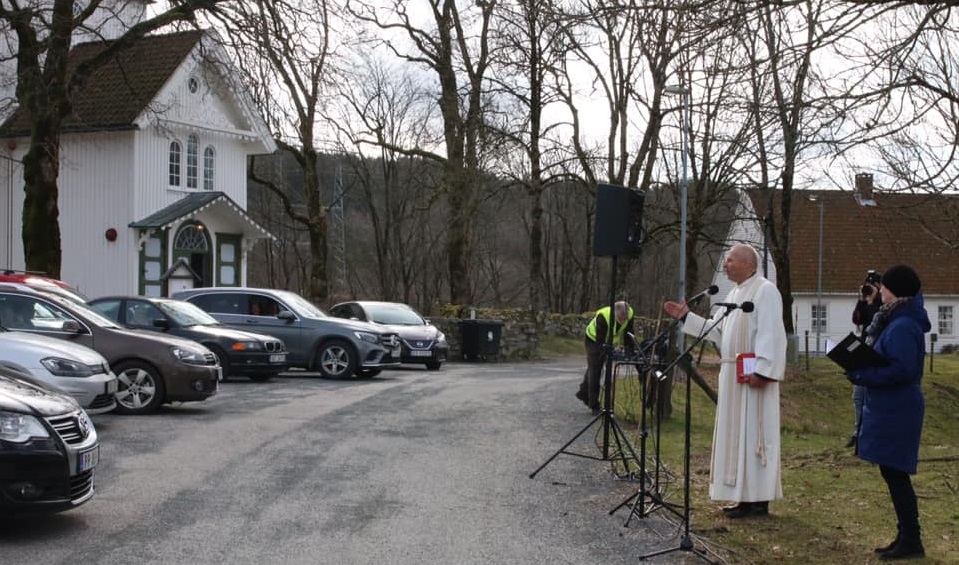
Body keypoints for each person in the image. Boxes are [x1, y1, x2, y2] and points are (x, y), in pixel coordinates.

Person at [663, 243, 786, 518]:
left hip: (754, 376)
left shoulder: (765, 291)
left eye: (730, 260)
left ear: (748, 265)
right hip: (732, 374)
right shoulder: (735, 293)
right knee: (736, 435)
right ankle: (741, 495)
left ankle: (758, 499)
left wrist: (764, 371)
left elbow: (772, 334)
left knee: (753, 434)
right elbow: (717, 331)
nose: (725, 265)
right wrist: (686, 317)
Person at [846, 265, 928, 560]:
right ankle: (906, 535)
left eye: (884, 287)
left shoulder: (903, 325)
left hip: (898, 406)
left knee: (896, 474)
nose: (879, 290)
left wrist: (862, 374)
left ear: (894, 290)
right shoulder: (897, 320)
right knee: (892, 472)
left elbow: (901, 370)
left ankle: (911, 539)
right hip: (891, 405)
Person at [576, 301, 635, 415]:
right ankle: (593, 404)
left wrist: (629, 349)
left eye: (625, 318)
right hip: (593, 339)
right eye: (620, 318)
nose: (623, 321)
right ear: (615, 313)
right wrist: (607, 351)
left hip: (609, 341)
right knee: (596, 368)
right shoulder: (603, 317)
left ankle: (583, 392)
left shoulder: (630, 314)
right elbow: (600, 342)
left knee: (594, 366)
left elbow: (629, 332)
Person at [848, 271, 882, 448]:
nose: (869, 289)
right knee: (858, 395)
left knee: (871, 396)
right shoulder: (864, 301)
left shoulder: (883, 305)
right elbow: (857, 320)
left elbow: (878, 323)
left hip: (876, 350)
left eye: (872, 286)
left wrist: (874, 300)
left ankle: (870, 432)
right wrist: (862, 300)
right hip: (862, 349)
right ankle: (857, 432)